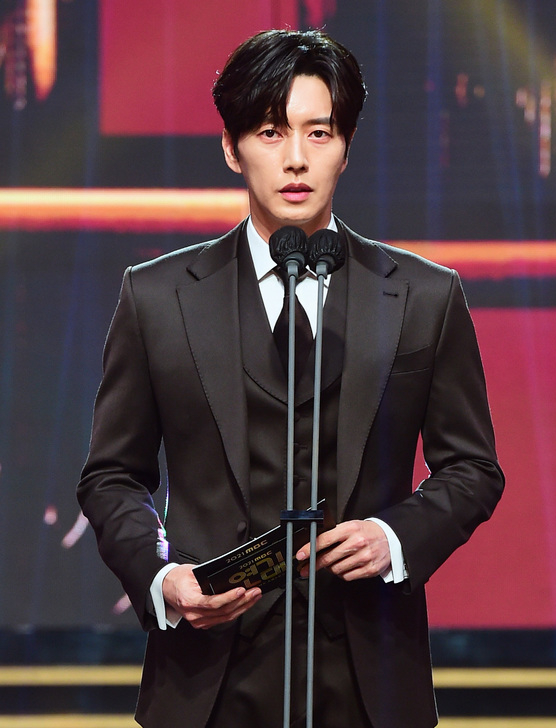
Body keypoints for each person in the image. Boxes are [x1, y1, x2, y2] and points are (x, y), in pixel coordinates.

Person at [77, 29, 504, 728]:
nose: (296, 158)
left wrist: (394, 538)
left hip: (370, 681)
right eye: (271, 133)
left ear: (347, 146)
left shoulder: (425, 296)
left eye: (319, 132)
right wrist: (163, 578)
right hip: (206, 683)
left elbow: (473, 468)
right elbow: (111, 476)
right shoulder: (156, 296)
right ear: (231, 147)